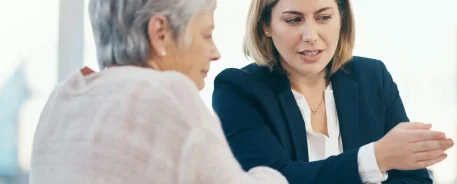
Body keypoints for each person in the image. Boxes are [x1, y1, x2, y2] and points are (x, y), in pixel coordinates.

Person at [29, 0, 288, 183]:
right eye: (206, 34)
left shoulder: (63, 98)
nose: (215, 52)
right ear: (160, 33)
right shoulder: (165, 94)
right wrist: (273, 175)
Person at [211, 0, 454, 183]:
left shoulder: (372, 76)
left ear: (342, 19)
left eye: (324, 17)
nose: (310, 36)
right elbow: (275, 178)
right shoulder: (237, 89)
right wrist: (376, 158)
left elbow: (412, 178)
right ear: (266, 26)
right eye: (293, 20)